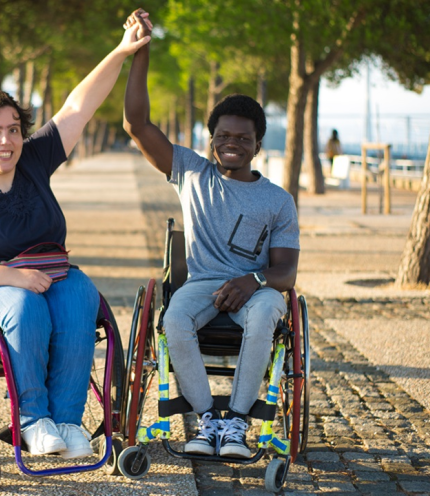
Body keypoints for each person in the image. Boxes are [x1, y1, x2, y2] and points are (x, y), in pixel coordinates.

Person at [0, 15, 152, 459]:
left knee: (80, 295)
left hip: (52, 273)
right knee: (26, 305)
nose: (6, 141)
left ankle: (67, 421)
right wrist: (13, 277)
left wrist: (122, 50)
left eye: (13, 129)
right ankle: (32, 420)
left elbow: (78, 107)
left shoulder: (32, 161)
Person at [122, 11, 300, 459]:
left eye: (242, 137)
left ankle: (236, 423)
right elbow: (136, 125)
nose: (231, 143)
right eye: (223, 136)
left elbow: (287, 272)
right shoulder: (191, 172)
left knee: (266, 314)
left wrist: (252, 281)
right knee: (173, 320)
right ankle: (207, 421)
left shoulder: (278, 200)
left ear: (257, 144)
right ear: (211, 139)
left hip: (257, 291)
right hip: (201, 284)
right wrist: (140, 51)